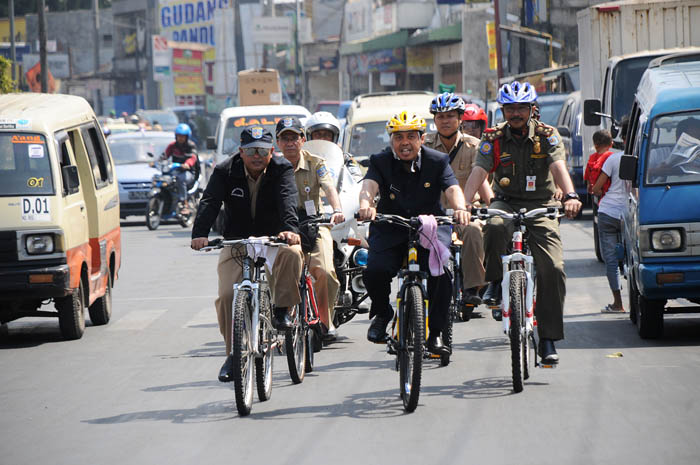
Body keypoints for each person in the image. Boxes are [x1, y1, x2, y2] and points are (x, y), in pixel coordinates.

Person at [462, 81, 582, 364]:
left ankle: (548, 339)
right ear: (502, 110)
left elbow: (557, 166)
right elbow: (479, 171)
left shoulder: (547, 135)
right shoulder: (493, 137)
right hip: (506, 201)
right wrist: (464, 204)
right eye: (510, 108)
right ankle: (494, 280)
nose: (515, 113)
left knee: (552, 267)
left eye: (521, 108)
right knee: (492, 224)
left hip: (542, 205)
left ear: (531, 109)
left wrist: (572, 195)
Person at [191, 126, 304, 382]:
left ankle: (283, 309)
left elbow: (288, 198)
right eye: (251, 150)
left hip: (274, 238)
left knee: (294, 254)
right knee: (228, 295)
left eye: (262, 151)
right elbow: (209, 201)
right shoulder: (224, 171)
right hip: (237, 241)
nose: (256, 156)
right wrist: (199, 233)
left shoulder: (282, 168)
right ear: (241, 152)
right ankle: (233, 355)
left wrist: (289, 229)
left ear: (271, 151)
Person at [357, 111, 470, 356]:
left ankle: (437, 334)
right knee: (375, 270)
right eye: (398, 137)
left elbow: (452, 188)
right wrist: (366, 206)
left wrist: (459, 209)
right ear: (391, 141)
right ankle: (382, 313)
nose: (404, 142)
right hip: (391, 228)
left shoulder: (437, 160)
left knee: (443, 276)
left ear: (422, 139)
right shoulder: (380, 160)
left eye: (411, 136)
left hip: (429, 228)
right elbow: (369, 186)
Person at [276, 116, 345, 339]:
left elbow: (329, 187)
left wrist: (336, 210)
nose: (289, 143)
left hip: (313, 222)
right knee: (275, 270)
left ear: (303, 139)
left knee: (325, 271)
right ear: (278, 143)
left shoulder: (316, 162)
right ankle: (281, 315)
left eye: (294, 138)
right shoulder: (272, 165)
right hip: (283, 226)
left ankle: (325, 322)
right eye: (284, 138)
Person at [424, 92, 493, 309]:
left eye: (451, 116)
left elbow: (482, 181)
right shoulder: (423, 145)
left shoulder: (475, 146)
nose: (445, 121)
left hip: (465, 212)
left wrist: (491, 205)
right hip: (433, 213)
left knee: (473, 230)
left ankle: (473, 288)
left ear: (461, 119)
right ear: (434, 119)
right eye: (441, 116)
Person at [591, 130, 626, 313]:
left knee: (611, 261)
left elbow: (597, 188)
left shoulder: (613, 159)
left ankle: (618, 303)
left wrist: (596, 191)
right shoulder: (642, 155)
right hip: (631, 213)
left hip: (609, 212)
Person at [305, 111, 363, 181]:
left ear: (335, 137)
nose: (322, 139)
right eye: (318, 135)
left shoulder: (345, 159)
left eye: (327, 135)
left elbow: (357, 179)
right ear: (309, 137)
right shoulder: (303, 159)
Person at [162, 123, 198, 215]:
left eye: (183, 136)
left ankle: (184, 203)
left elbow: (193, 157)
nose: (180, 138)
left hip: (188, 172)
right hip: (175, 170)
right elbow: (165, 155)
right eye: (179, 136)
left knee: (180, 179)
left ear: (187, 137)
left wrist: (187, 164)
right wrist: (157, 161)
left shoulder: (191, 146)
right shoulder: (172, 145)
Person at [583, 130, 615, 199]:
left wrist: (591, 186)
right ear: (611, 143)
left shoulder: (592, 158)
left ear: (595, 145)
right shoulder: (611, 156)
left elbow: (587, 176)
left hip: (596, 193)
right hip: (609, 194)